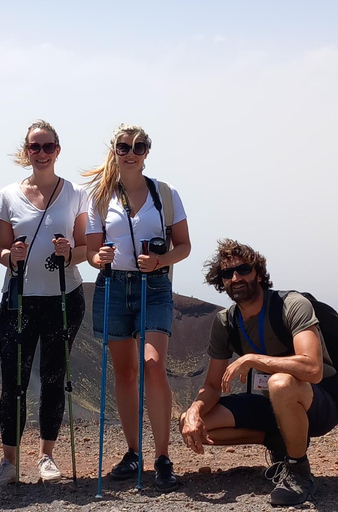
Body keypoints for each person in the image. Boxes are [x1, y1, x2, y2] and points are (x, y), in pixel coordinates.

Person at [180, 239, 338, 506]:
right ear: (220, 281)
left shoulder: (292, 305)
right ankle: (278, 440)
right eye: (227, 274)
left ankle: (298, 471)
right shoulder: (226, 322)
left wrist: (254, 359)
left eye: (243, 269)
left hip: (317, 401)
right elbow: (211, 386)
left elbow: (313, 369)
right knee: (190, 421)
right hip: (268, 402)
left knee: (280, 384)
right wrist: (194, 412)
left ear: (257, 272)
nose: (235, 278)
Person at [84, 124, 191, 493]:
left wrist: (159, 264)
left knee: (152, 365)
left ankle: (162, 457)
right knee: (126, 372)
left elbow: (184, 246)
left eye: (139, 146)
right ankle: (133, 452)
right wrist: (100, 257)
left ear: (147, 151)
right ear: (114, 149)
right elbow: (91, 252)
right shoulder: (100, 196)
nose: (131, 152)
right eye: (124, 146)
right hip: (114, 287)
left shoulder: (165, 193)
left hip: (155, 287)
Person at [0, 120, 88, 487]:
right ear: (25, 151)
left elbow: (85, 249)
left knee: (52, 377)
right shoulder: (7, 195)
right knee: (13, 380)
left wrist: (69, 253)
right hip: (19, 300)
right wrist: (9, 254)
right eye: (35, 147)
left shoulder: (75, 193)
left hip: (64, 296)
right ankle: (9, 462)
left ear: (58, 150)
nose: (41, 153)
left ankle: (46, 456)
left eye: (48, 147)